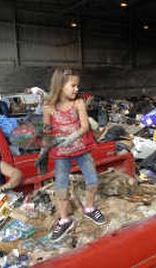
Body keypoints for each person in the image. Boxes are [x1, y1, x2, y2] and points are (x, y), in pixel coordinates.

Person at [40, 68, 106, 242]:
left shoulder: (78, 103)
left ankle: (90, 208)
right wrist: (43, 150)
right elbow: (46, 130)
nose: (77, 89)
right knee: (61, 186)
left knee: (92, 180)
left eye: (78, 86)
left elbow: (84, 126)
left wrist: (70, 138)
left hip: (81, 149)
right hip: (61, 154)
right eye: (73, 85)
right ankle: (64, 219)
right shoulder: (48, 107)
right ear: (60, 86)